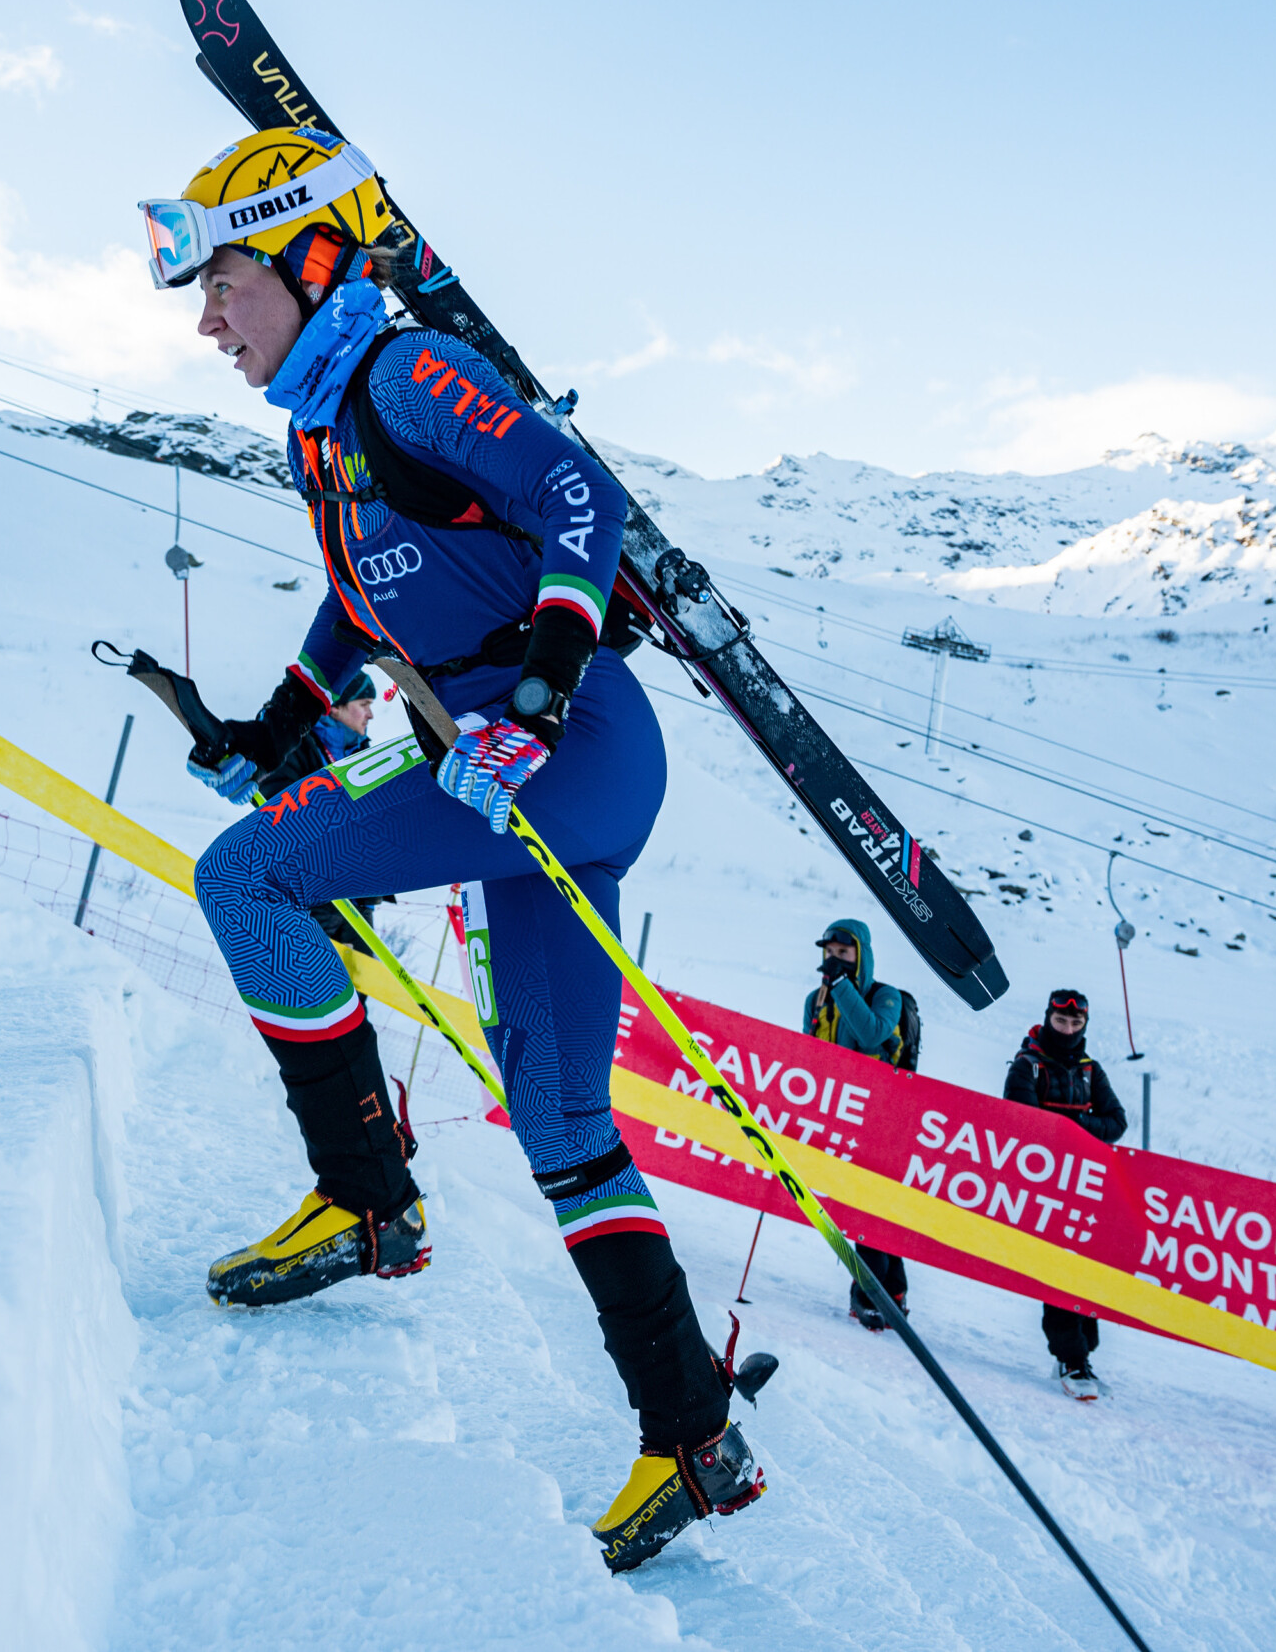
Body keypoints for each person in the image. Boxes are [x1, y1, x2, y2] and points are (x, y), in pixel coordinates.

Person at [139, 126, 761, 1570]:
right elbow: (368, 604)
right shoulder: (318, 428)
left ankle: (368, 1202)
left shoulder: (404, 373)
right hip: (492, 769)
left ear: (310, 257)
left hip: (567, 745)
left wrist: (536, 700)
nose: (206, 320)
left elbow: (578, 498)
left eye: (225, 280)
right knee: (557, 1116)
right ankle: (695, 1432)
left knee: (246, 877)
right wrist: (279, 718)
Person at [194, 671, 385, 946]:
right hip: (309, 899)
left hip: (360, 901)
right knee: (314, 984)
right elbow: (286, 820)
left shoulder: (364, 756)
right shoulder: (294, 749)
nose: (370, 715)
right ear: (335, 706)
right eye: (364, 704)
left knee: (363, 983)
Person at [1004, 989, 1127, 1398]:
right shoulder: (1027, 1066)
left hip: (1082, 1189)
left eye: (1076, 1024)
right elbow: (1022, 1122)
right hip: (1039, 1189)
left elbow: (1117, 1122)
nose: (1069, 1029)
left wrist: (1073, 1128)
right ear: (1048, 1019)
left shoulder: (1091, 1071)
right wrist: (1079, 1126)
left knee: (1085, 1273)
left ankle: (1082, 1354)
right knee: (1056, 1272)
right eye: (1062, 1022)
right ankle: (1070, 1358)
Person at [803, 918, 910, 1331]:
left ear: (860, 956)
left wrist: (843, 986)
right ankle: (893, 1290)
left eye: (844, 954)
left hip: (882, 1121)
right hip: (836, 1116)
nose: (834, 961)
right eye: (829, 954)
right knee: (857, 1208)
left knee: (873, 1208)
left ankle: (871, 1294)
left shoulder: (887, 997)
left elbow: (871, 1035)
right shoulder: (817, 998)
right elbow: (809, 1053)